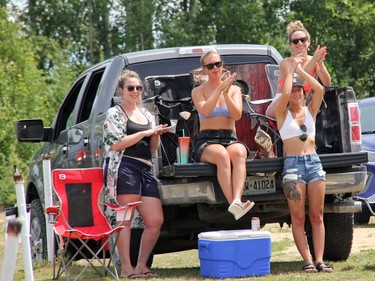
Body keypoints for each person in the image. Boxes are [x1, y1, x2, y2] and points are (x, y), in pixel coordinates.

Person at [103, 70, 170, 278]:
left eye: (138, 88)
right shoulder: (114, 113)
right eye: (130, 88)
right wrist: (145, 132)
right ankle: (127, 269)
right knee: (125, 220)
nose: (135, 91)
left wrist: (155, 135)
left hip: (146, 168)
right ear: (121, 90)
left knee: (155, 220)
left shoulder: (147, 114)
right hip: (125, 167)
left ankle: (142, 265)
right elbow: (115, 144)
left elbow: (151, 149)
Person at [275, 55, 333, 273]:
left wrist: (299, 71)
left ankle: (320, 260)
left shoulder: (310, 111)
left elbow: (319, 89)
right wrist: (289, 73)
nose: (297, 93)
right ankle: (307, 260)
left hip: (314, 163)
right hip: (293, 166)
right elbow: (285, 92)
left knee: (317, 215)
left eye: (300, 90)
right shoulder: (282, 112)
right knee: (298, 217)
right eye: (294, 90)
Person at [191, 50, 254, 220]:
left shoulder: (234, 89)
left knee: (240, 153)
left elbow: (237, 115)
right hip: (207, 140)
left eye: (218, 64)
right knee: (221, 155)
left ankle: (237, 201)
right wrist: (219, 89)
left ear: (222, 65)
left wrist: (226, 93)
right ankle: (233, 203)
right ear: (204, 69)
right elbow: (205, 110)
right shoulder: (198, 91)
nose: (215, 68)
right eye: (211, 65)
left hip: (229, 137)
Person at [266, 20, 331, 118]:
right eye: (295, 41)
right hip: (284, 104)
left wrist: (320, 64)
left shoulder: (314, 60)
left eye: (303, 40)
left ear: (308, 42)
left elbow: (327, 83)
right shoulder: (286, 63)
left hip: (304, 105)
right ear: (290, 45)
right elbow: (296, 83)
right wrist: (314, 60)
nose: (300, 43)